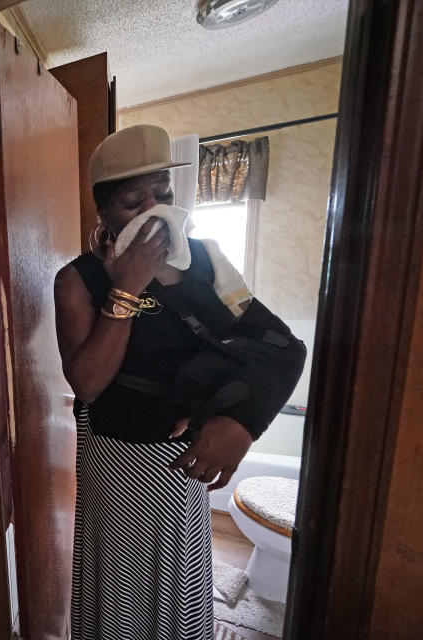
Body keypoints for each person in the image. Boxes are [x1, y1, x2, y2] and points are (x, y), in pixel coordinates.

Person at [55, 125, 300, 639]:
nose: (154, 212)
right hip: (117, 461)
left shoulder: (208, 261)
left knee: (177, 583)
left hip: (184, 457)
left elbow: (280, 346)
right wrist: (127, 284)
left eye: (163, 194)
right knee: (122, 590)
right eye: (132, 201)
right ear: (102, 211)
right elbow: (90, 385)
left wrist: (242, 423)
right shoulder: (78, 279)